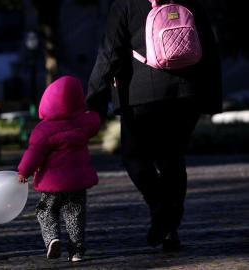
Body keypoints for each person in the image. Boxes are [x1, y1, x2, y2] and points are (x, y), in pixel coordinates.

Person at [86, 0, 222, 252]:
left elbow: (110, 53)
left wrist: (94, 101)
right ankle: (171, 230)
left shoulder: (125, 5)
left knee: (134, 157)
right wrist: (212, 97)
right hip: (187, 94)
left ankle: (160, 207)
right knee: (172, 159)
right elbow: (209, 48)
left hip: (141, 96)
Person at [18, 76, 100, 262]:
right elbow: (95, 120)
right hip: (77, 184)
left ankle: (52, 238)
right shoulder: (83, 123)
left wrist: (24, 172)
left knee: (45, 211)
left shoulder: (43, 130)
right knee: (75, 216)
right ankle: (77, 252)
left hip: (52, 184)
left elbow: (33, 155)